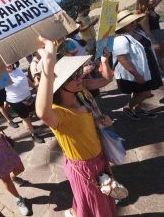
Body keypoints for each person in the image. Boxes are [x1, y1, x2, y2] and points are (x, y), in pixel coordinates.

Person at [35, 36, 116, 217]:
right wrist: (48, 65)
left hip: (98, 159)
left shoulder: (80, 92)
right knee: (95, 207)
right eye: (73, 76)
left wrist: (104, 59)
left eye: (79, 72)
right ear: (59, 85)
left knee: (91, 201)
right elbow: (42, 112)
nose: (80, 77)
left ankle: (73, 212)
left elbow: (106, 79)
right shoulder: (58, 113)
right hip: (84, 167)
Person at [113, 10, 162, 120]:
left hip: (148, 67)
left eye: (134, 21)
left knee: (139, 91)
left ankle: (139, 110)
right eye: (130, 23)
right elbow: (122, 59)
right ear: (123, 26)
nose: (134, 24)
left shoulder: (139, 33)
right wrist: (136, 75)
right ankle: (127, 107)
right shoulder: (121, 39)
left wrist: (158, 61)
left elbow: (148, 49)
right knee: (146, 92)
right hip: (136, 71)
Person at [5, 64, 44, 143]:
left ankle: (28, 125)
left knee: (35, 112)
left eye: (9, 62)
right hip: (17, 102)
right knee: (26, 119)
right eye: (5, 64)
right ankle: (33, 134)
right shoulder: (3, 76)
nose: (8, 65)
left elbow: (27, 79)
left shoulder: (18, 70)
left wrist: (34, 87)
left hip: (28, 97)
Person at [135, 0, 164, 69]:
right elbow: (147, 31)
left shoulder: (151, 8)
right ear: (145, 2)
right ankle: (161, 74)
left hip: (158, 33)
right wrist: (154, 42)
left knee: (162, 55)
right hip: (153, 36)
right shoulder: (144, 15)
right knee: (158, 57)